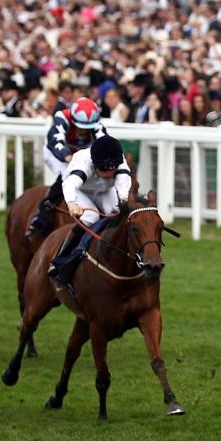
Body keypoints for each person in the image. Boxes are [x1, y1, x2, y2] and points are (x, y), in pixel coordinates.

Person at [47, 135, 132, 304]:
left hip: (103, 190)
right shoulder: (83, 162)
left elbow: (123, 185)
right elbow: (70, 185)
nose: (109, 174)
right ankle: (61, 260)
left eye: (112, 170)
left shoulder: (119, 160)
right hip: (80, 190)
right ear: (95, 164)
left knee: (116, 214)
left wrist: (123, 203)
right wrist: (72, 203)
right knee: (91, 217)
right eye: (104, 170)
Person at [28, 97, 105, 236]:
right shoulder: (62, 117)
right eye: (80, 127)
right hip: (56, 153)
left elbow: (104, 141)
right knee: (68, 176)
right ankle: (42, 215)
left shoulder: (96, 122)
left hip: (78, 153)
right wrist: (67, 156)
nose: (83, 131)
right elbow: (56, 141)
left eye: (87, 128)